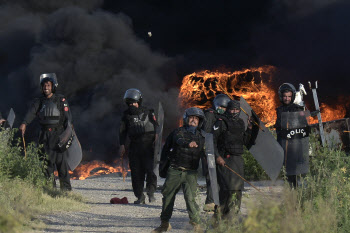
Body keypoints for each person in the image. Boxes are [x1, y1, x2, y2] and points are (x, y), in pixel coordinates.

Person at [153, 107, 206, 233]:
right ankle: (164, 224)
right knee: (168, 196)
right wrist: (188, 144)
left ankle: (196, 225)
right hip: (175, 170)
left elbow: (208, 152)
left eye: (196, 119)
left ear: (200, 121)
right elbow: (179, 140)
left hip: (191, 173)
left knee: (190, 198)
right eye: (191, 117)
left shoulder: (202, 137)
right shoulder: (178, 132)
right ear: (186, 119)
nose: (193, 120)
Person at [19, 73, 73, 191]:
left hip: (58, 134)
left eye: (48, 85)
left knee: (61, 164)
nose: (46, 87)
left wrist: (67, 133)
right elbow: (31, 113)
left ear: (52, 87)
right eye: (44, 86)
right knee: (46, 164)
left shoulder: (60, 99)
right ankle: (50, 190)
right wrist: (24, 123)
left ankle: (66, 192)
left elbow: (68, 117)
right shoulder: (39, 101)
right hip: (44, 135)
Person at [213, 100, 252, 218]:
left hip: (238, 160)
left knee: (237, 190)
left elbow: (245, 141)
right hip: (225, 159)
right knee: (226, 190)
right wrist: (217, 156)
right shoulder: (221, 122)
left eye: (236, 110)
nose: (234, 112)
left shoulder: (240, 123)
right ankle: (218, 220)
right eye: (232, 110)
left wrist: (250, 128)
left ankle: (232, 218)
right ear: (227, 110)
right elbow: (212, 141)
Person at [119, 88, 158, 204]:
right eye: (130, 103)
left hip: (148, 147)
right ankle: (140, 196)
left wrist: (156, 141)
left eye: (134, 103)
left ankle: (151, 193)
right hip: (134, 147)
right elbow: (122, 132)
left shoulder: (149, 112)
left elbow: (156, 128)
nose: (132, 105)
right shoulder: (126, 116)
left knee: (150, 171)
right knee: (136, 173)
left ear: (139, 102)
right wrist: (121, 145)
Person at [274, 83, 309, 188]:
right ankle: (290, 196)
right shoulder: (279, 110)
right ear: (281, 96)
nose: (287, 98)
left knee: (295, 174)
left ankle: (297, 196)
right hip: (284, 145)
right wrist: (280, 132)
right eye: (285, 96)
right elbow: (278, 127)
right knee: (287, 175)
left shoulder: (298, 109)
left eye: (289, 96)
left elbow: (305, 127)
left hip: (295, 146)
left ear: (292, 96)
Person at [201, 94, 230, 211]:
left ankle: (217, 202)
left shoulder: (223, 117)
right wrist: (208, 151)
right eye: (220, 107)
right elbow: (206, 134)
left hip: (218, 150)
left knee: (218, 177)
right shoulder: (210, 115)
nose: (222, 109)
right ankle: (210, 202)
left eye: (224, 108)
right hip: (209, 150)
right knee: (211, 176)